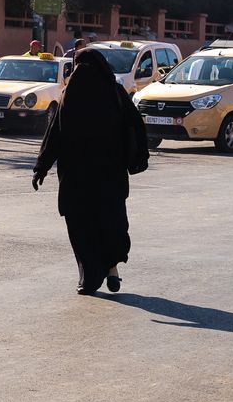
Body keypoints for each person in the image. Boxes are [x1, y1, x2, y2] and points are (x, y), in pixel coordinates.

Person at [32, 49, 149, 295]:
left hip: (76, 177)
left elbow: (54, 135)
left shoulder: (70, 95)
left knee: (81, 225)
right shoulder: (116, 93)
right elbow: (136, 126)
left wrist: (41, 168)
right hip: (110, 176)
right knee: (109, 222)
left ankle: (88, 277)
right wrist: (138, 159)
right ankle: (112, 270)